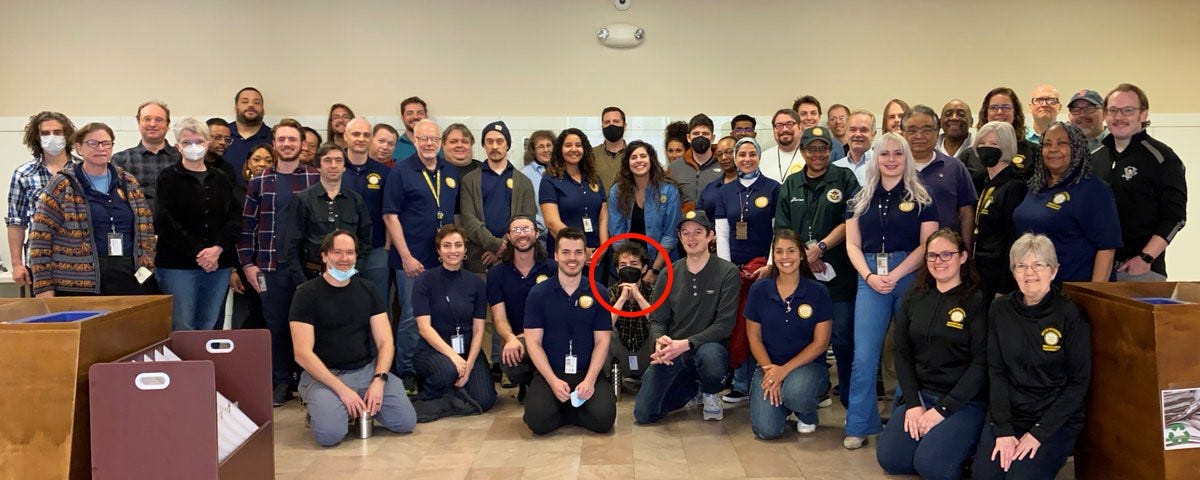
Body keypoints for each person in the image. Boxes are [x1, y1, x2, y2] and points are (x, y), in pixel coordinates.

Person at [843, 132, 939, 449]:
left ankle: (902, 422)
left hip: (909, 275)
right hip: (869, 276)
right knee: (864, 355)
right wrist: (870, 276)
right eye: (885, 154)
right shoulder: (859, 198)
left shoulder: (923, 197)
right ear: (876, 158)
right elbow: (852, 244)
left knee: (907, 353)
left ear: (907, 157)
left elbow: (927, 245)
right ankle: (859, 424)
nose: (892, 159)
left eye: (898, 153)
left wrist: (896, 274)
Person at [973, 233, 1091, 479]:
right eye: (1021, 266)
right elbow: (996, 370)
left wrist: (1039, 433)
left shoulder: (1070, 314)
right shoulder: (1000, 309)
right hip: (1010, 414)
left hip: (1053, 418)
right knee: (986, 476)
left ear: (1054, 271)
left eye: (1038, 265)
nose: (1029, 273)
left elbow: (1078, 383)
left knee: (1020, 476)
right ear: (1013, 271)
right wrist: (1004, 430)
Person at [876, 229, 988, 480]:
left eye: (946, 254)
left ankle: (967, 449)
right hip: (921, 395)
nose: (939, 261)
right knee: (892, 460)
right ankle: (934, 439)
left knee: (932, 468)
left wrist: (942, 411)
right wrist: (914, 405)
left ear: (962, 257)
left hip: (963, 402)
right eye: (932, 256)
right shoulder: (914, 298)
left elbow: (981, 364)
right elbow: (902, 353)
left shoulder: (977, 301)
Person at [289, 230, 416, 447]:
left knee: (405, 422)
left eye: (350, 252)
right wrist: (342, 391)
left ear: (356, 256)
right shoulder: (306, 294)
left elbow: (385, 342)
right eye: (337, 252)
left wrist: (379, 379)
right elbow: (302, 354)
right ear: (324, 256)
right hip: (325, 377)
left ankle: (357, 408)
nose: (344, 258)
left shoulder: (368, 290)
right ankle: (326, 408)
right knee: (330, 436)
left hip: (365, 372)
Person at [774, 126, 860, 409]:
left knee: (842, 336)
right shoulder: (791, 184)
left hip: (840, 275)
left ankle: (849, 399)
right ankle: (815, 390)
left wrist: (820, 248)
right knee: (807, 336)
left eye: (823, 148)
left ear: (830, 151)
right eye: (812, 148)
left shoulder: (845, 178)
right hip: (803, 276)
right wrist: (804, 256)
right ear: (803, 151)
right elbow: (783, 229)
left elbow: (852, 221)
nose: (818, 154)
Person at [238, 118, 320, 405]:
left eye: (292, 140)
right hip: (269, 267)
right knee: (276, 325)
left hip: (308, 267)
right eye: (282, 140)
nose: (287, 144)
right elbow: (247, 226)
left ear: (302, 145)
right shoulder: (259, 180)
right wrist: (248, 265)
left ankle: (308, 378)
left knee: (308, 323)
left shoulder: (315, 177)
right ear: (274, 145)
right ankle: (282, 380)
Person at [633, 210, 739, 424]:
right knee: (644, 414)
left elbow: (724, 325)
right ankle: (692, 388)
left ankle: (710, 391)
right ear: (680, 238)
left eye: (698, 232)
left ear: (710, 236)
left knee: (711, 358)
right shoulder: (668, 273)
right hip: (674, 349)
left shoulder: (728, 272)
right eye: (685, 233)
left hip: (708, 347)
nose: (691, 238)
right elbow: (657, 319)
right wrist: (659, 340)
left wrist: (687, 343)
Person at [29, 122, 157, 296]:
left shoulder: (128, 182)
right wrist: (44, 287)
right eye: (93, 143)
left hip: (128, 280)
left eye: (106, 143)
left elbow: (146, 229)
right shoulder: (62, 184)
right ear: (79, 148)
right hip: (76, 286)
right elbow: (40, 239)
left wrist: (147, 265)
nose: (100, 148)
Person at [382, 118, 458, 385]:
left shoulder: (449, 171)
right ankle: (406, 373)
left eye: (434, 139)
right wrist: (405, 256)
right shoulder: (400, 172)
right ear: (414, 141)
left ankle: (433, 368)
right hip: (411, 259)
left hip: (443, 259)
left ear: (440, 143)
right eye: (423, 139)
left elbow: (453, 216)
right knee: (413, 318)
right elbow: (390, 216)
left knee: (439, 316)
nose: (429, 144)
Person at [522, 227, 616, 434]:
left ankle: (567, 411)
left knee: (604, 420)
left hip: (587, 372)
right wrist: (553, 381)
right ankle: (567, 409)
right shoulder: (538, 294)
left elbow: (602, 341)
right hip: (551, 373)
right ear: (555, 255)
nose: (572, 258)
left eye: (578, 252)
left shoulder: (599, 292)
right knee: (537, 422)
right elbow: (533, 343)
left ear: (587, 256)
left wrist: (590, 381)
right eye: (565, 252)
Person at [1092, 83, 1187, 282]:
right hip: (1096, 269)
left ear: (1143, 115)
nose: (1119, 117)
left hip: (1140, 270)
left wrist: (1145, 257)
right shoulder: (1095, 157)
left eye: (1128, 111)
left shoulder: (1162, 158)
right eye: (1113, 110)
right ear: (1104, 115)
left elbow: (1175, 217)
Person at [154, 118, 241, 331]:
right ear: (177, 146)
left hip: (218, 264)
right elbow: (165, 221)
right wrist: (200, 253)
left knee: (209, 324)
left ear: (208, 143)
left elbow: (235, 217)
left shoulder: (222, 177)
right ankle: (184, 366)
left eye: (199, 141)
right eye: (187, 142)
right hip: (178, 266)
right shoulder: (167, 178)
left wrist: (217, 249)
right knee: (182, 324)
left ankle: (205, 365)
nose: (193, 146)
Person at [745, 230, 833, 439]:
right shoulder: (759, 290)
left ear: (802, 254)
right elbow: (754, 338)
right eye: (779, 252)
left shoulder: (818, 292)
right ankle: (782, 407)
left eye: (791, 251)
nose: (785, 257)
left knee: (797, 394)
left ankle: (806, 412)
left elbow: (821, 343)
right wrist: (769, 371)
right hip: (768, 366)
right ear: (773, 256)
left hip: (806, 367)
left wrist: (782, 372)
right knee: (765, 430)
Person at [1012, 122, 1120, 283]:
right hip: (1035, 290)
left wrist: (1095, 295)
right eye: (1047, 144)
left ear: (1077, 148)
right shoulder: (1034, 186)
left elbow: (1106, 248)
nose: (1053, 149)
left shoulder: (1093, 190)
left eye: (1062, 143)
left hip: (1074, 293)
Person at [411, 226, 497, 420]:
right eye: (447, 246)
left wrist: (469, 363)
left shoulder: (476, 283)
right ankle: (436, 391)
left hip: (467, 350)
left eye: (458, 245)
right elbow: (424, 328)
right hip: (433, 350)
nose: (453, 250)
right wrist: (455, 359)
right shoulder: (424, 281)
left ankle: (445, 400)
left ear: (465, 250)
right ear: (439, 251)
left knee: (485, 400)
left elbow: (478, 330)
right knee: (448, 370)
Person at [488, 216, 557, 397]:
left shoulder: (552, 269)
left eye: (526, 229)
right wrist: (510, 338)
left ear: (536, 233)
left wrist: (529, 336)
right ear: (509, 237)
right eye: (516, 230)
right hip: (517, 342)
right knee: (510, 360)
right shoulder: (497, 274)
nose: (522, 234)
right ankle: (530, 382)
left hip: (549, 337)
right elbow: (499, 318)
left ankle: (540, 384)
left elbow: (559, 313)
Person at [8, 111, 76, 289]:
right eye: (45, 133)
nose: (51, 137)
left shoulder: (83, 170)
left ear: (67, 135)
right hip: (40, 260)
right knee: (45, 314)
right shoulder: (23, 174)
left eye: (57, 132)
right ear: (36, 138)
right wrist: (16, 264)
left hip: (80, 262)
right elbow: (16, 222)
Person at [460, 121, 537, 275]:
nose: (494, 146)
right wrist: (494, 244)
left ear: (507, 145)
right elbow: (468, 219)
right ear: (483, 145)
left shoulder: (523, 182)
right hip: (479, 259)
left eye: (500, 141)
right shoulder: (470, 180)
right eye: (489, 141)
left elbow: (528, 218)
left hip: (513, 258)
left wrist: (503, 247)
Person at [289, 144, 372, 280]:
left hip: (349, 277)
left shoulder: (356, 200)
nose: (333, 165)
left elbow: (366, 240)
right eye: (327, 160)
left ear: (344, 167)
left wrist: (355, 271)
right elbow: (292, 245)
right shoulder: (302, 200)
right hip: (312, 276)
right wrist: (301, 281)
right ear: (318, 166)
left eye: (338, 161)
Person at [902, 106, 978, 247]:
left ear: (937, 133)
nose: (919, 136)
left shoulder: (955, 167)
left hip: (945, 254)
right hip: (903, 254)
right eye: (912, 130)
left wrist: (966, 251)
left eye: (926, 130)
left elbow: (966, 214)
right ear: (902, 134)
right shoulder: (893, 168)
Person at [609, 140, 681, 278]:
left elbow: (670, 236)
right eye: (633, 157)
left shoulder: (669, 190)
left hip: (663, 265)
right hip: (629, 266)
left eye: (643, 156)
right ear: (627, 163)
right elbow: (617, 235)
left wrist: (654, 270)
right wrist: (628, 268)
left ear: (651, 160)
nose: (639, 161)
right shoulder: (617, 191)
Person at [972, 122, 1028, 299]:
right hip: (980, 270)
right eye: (982, 143)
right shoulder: (982, 182)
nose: (986, 148)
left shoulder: (1014, 187)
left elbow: (1012, 238)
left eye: (994, 144)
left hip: (999, 274)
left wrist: (1004, 285)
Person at [715, 137, 779, 278]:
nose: (747, 159)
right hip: (734, 269)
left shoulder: (773, 188)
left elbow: (778, 232)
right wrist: (728, 269)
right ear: (735, 158)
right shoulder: (724, 192)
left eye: (752, 154)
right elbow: (722, 235)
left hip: (764, 267)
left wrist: (770, 265)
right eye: (742, 154)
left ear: (759, 157)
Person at [340, 118, 392, 294]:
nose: (361, 139)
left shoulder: (384, 172)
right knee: (342, 300)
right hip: (340, 250)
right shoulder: (334, 167)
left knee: (378, 303)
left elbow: (390, 212)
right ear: (345, 137)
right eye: (356, 134)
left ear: (371, 139)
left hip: (376, 249)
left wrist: (386, 246)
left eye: (366, 135)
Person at [229, 145, 276, 330]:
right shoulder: (236, 191)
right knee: (246, 317)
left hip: (269, 263)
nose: (262, 164)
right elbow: (232, 231)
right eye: (257, 159)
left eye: (268, 160)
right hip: (243, 263)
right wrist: (232, 269)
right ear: (248, 163)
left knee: (269, 316)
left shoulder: (278, 189)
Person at [539, 128, 608, 254]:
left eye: (578, 145)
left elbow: (603, 217)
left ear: (585, 149)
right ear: (560, 149)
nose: (574, 149)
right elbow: (551, 222)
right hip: (565, 253)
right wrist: (579, 249)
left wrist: (603, 249)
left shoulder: (594, 178)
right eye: (568, 145)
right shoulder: (549, 180)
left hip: (596, 253)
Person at [961, 87, 1040, 187]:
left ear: (1015, 113)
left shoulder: (1033, 151)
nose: (999, 112)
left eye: (1006, 107)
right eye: (994, 107)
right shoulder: (969, 155)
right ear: (986, 113)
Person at [607, 238, 656, 387]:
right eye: (623, 265)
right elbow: (604, 326)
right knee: (606, 333)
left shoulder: (653, 292)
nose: (628, 268)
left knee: (660, 331)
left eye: (634, 264)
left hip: (647, 353)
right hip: (620, 354)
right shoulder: (610, 292)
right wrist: (621, 300)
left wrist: (638, 297)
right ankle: (607, 380)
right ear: (617, 270)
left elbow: (658, 322)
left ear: (643, 268)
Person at [112, 101, 180, 200]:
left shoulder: (182, 158)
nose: (152, 124)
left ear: (167, 125)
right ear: (139, 124)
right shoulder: (120, 159)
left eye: (159, 120)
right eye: (147, 119)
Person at [666, 114, 722, 212]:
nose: (700, 137)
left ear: (712, 138)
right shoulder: (674, 168)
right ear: (688, 138)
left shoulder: (723, 167)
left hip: (715, 225)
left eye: (705, 134)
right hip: (682, 225)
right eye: (696, 134)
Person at [224, 87, 272, 183]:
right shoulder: (222, 135)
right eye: (245, 102)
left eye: (257, 102)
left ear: (263, 110)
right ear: (235, 108)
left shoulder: (274, 138)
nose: (251, 105)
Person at [521, 130, 555, 235]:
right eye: (541, 146)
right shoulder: (525, 174)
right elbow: (524, 208)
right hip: (540, 235)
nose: (546, 150)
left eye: (549, 145)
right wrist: (544, 226)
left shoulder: (562, 170)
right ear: (533, 151)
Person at [695, 136, 737, 220]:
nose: (724, 158)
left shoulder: (750, 185)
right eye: (720, 154)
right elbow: (699, 219)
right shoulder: (710, 188)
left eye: (729, 152)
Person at [760, 109, 804, 182]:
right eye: (779, 125)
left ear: (800, 127)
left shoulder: (811, 157)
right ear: (774, 129)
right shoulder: (762, 158)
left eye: (789, 124)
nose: (784, 129)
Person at [833, 110, 876, 185]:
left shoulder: (882, 166)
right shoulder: (835, 168)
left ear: (873, 134)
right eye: (852, 130)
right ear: (846, 133)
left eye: (864, 130)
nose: (858, 134)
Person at [593, 106, 627, 188]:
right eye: (607, 122)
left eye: (616, 121)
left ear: (624, 126)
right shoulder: (590, 155)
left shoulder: (634, 155)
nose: (611, 125)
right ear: (602, 127)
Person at [391, 96, 428, 165]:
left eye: (420, 113)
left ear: (426, 116)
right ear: (402, 118)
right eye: (410, 113)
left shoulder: (438, 145)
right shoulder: (393, 145)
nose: (415, 117)